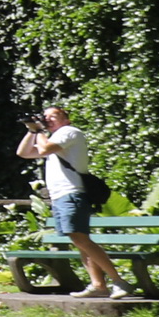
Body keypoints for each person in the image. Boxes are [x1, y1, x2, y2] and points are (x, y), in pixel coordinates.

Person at [19, 104, 119, 296]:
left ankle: (119, 281)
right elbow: (23, 153)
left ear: (66, 119)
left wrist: (38, 130)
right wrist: (32, 131)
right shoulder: (51, 138)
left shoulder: (69, 132)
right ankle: (99, 285)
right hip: (60, 196)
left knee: (80, 239)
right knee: (80, 241)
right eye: (45, 116)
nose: (47, 119)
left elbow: (45, 149)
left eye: (53, 116)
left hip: (71, 193)